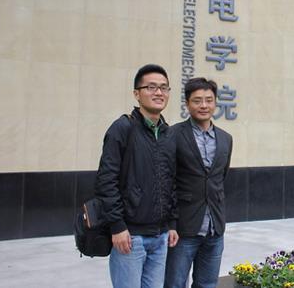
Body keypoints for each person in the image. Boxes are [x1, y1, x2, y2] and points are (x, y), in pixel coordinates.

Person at [95, 64, 179, 288]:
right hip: (130, 237)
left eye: (164, 88)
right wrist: (117, 226)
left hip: (161, 237)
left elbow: (171, 182)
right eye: (151, 87)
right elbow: (106, 181)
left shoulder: (168, 134)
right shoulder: (122, 128)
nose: (159, 92)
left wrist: (171, 223)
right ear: (136, 93)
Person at [164, 77, 233, 288]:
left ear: (215, 103)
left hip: (214, 228)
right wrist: (170, 224)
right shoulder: (173, 134)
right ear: (187, 104)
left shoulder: (226, 138)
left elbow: (219, 178)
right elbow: (167, 182)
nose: (204, 105)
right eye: (197, 100)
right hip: (183, 228)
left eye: (209, 100)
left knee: (208, 284)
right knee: (174, 284)